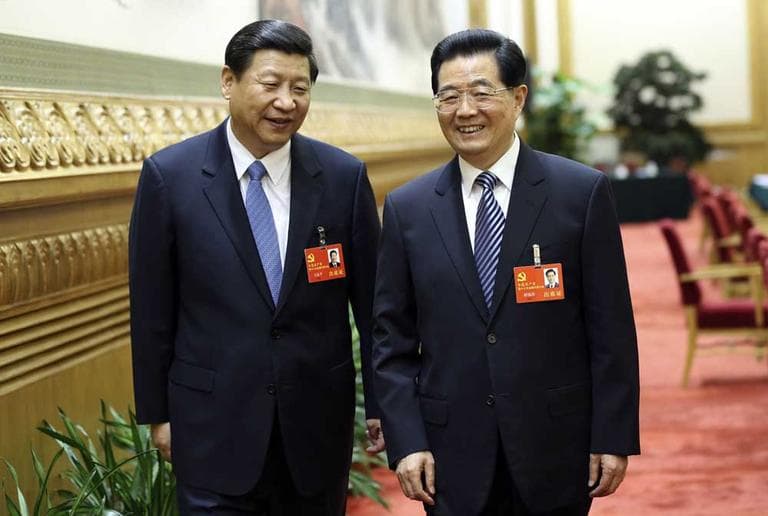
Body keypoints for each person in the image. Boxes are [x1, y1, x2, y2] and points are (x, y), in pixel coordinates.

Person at [372, 29, 639, 515]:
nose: (464, 110)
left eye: (480, 92)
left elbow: (611, 331)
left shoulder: (580, 194)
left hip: (556, 445)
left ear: (518, 98)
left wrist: (613, 435)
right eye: (448, 96)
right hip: (449, 455)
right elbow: (391, 342)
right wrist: (407, 441)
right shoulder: (409, 209)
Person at [129, 19, 383, 515]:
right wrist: (159, 415)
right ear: (229, 82)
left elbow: (375, 309)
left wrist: (381, 404)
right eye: (271, 84)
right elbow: (152, 309)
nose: (286, 102)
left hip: (315, 430)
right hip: (210, 428)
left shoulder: (342, 178)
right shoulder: (171, 177)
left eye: (300, 88)